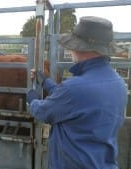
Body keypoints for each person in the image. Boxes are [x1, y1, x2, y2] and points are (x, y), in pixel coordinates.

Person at [27, 16, 127, 169]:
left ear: (80, 48)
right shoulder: (119, 83)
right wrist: (46, 81)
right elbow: (75, 102)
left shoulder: (74, 88)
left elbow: (44, 111)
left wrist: (32, 100)